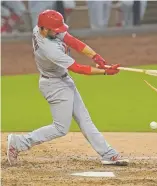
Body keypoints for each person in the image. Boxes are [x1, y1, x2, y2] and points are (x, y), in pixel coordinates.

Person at [7, 9, 129, 166]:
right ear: (44, 29)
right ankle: (19, 143)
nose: (58, 33)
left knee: (85, 120)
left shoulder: (41, 29)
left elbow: (73, 41)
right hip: (54, 85)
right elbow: (78, 68)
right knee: (60, 128)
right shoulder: (49, 49)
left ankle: (108, 154)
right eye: (55, 30)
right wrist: (105, 71)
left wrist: (97, 58)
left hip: (62, 80)